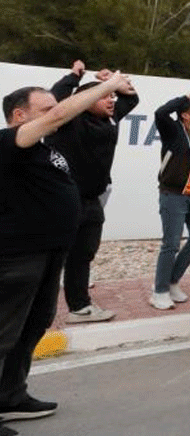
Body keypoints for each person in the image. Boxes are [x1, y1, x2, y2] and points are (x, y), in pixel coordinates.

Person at [0, 73, 128, 430]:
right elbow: (60, 116)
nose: (57, 113)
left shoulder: (45, 147)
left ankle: (10, 395)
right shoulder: (10, 141)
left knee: (32, 327)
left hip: (49, 253)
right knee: (4, 333)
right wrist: (106, 86)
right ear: (20, 115)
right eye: (46, 109)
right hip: (18, 256)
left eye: (55, 108)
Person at [47, 61, 139, 323]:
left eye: (111, 96)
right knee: (52, 256)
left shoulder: (109, 118)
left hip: (92, 200)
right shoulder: (68, 121)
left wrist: (115, 83)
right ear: (85, 101)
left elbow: (132, 99)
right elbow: (56, 99)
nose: (111, 101)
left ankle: (79, 307)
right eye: (104, 96)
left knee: (83, 254)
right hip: (63, 200)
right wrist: (74, 76)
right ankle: (34, 307)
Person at [150, 88, 190, 310]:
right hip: (174, 196)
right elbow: (160, 113)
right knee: (171, 243)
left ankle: (172, 281)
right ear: (185, 115)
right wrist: (187, 98)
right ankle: (159, 290)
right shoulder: (173, 131)